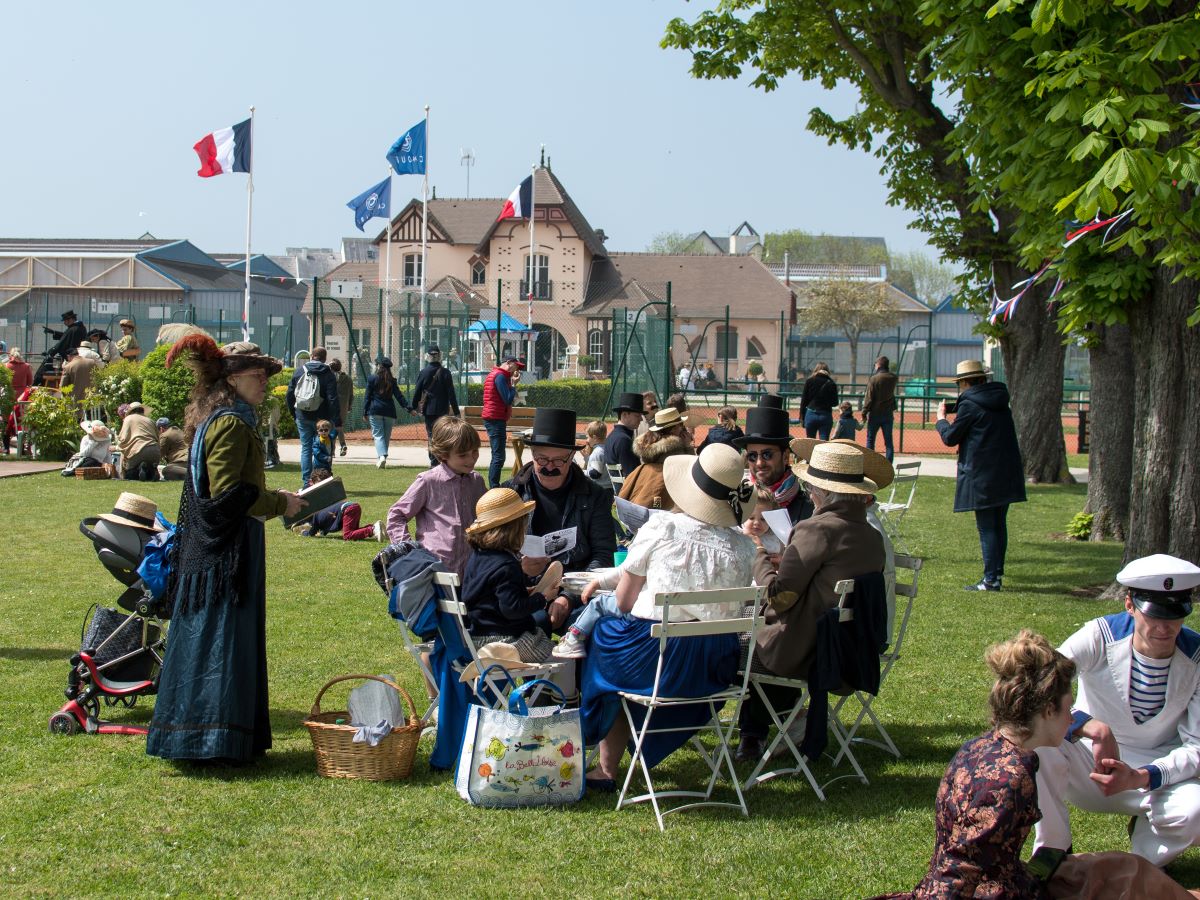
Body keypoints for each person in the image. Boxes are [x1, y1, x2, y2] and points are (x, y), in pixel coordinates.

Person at [875, 630, 1200, 900]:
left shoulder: (978, 747)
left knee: (1120, 869)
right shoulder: (1010, 779)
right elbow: (975, 880)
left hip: (998, 883)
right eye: (1068, 709)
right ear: (1047, 710)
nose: (1073, 720)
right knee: (1126, 877)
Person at [147, 335, 304, 764]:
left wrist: (271, 496)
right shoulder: (231, 423)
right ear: (233, 380)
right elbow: (228, 495)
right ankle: (211, 741)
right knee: (221, 639)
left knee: (222, 637)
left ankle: (216, 738)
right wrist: (281, 503)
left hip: (222, 545)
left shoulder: (225, 419)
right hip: (226, 550)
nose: (265, 384)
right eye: (258, 376)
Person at [578, 443, 757, 787]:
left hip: (661, 661)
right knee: (621, 646)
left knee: (604, 635)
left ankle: (605, 764)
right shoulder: (743, 546)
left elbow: (626, 601)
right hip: (716, 666)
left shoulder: (664, 529)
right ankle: (625, 754)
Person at [1033, 554, 1200, 867]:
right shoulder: (1100, 635)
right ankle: (1052, 853)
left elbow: (1197, 746)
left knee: (1196, 811)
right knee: (1039, 745)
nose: (1165, 627)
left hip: (1157, 772)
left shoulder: (1197, 656)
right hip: (1088, 762)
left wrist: (1143, 776)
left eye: (1175, 616)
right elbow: (1040, 686)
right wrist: (1088, 726)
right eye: (1154, 615)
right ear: (1129, 605)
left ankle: (1143, 862)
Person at [737, 441, 885, 761]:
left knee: (728, 644)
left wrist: (757, 551)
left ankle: (760, 729)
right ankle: (778, 724)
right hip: (849, 648)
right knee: (754, 637)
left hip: (807, 650)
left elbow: (779, 598)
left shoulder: (816, 529)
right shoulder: (871, 536)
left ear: (819, 491)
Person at [505, 407, 617, 634]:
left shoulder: (594, 495)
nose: (549, 467)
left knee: (598, 629)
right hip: (522, 592)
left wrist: (569, 596)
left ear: (572, 457)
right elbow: (490, 557)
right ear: (532, 454)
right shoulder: (510, 493)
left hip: (577, 590)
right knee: (523, 627)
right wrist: (519, 568)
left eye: (558, 461)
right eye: (542, 459)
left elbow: (603, 556)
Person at [936, 359, 1025, 592]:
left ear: (965, 382)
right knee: (998, 524)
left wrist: (941, 420)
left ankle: (990, 579)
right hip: (1004, 471)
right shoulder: (999, 399)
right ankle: (995, 573)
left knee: (987, 527)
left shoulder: (970, 405)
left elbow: (950, 437)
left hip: (981, 474)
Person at [461, 488, 561, 663]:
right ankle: (551, 691)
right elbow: (512, 609)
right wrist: (542, 598)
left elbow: (491, 595)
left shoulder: (477, 557)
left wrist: (523, 591)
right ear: (515, 528)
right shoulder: (507, 565)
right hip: (507, 641)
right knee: (565, 658)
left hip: (477, 637)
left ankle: (538, 690)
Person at [386, 416, 486, 579]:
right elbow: (397, 515)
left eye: (474, 451)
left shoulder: (477, 482)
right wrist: (409, 551)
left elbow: (488, 518)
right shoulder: (428, 481)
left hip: (471, 570)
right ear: (444, 454)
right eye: (463, 455)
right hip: (435, 571)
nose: (471, 458)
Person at [734, 404, 813, 525]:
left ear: (786, 457)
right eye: (752, 456)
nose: (759, 463)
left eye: (767, 455)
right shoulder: (736, 500)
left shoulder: (808, 511)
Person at [619, 407, 694, 511]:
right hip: (667, 496)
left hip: (647, 489)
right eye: (680, 425)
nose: (682, 428)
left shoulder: (650, 443)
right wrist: (688, 446)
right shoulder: (675, 448)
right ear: (674, 428)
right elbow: (689, 468)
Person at [286, 346, 340, 489]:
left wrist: (294, 412)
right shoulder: (328, 374)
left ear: (312, 356)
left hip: (302, 415)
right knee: (325, 448)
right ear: (324, 358)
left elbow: (290, 394)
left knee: (306, 448)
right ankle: (322, 478)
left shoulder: (299, 371)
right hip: (322, 418)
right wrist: (336, 419)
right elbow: (333, 399)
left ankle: (306, 482)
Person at [293, 469, 381, 541]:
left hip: (347, 509)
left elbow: (313, 531)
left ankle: (372, 530)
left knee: (348, 535)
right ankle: (375, 527)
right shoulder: (319, 502)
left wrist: (304, 533)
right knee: (354, 532)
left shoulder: (316, 512)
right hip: (353, 506)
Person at [410, 344, 460, 467]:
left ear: (427, 356)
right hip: (443, 409)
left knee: (432, 436)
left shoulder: (424, 372)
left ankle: (433, 461)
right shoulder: (445, 372)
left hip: (429, 410)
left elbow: (417, 392)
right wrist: (456, 411)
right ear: (439, 356)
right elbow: (451, 394)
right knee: (442, 435)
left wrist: (413, 407)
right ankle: (442, 460)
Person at [481, 355, 524, 487]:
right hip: (495, 419)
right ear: (508, 363)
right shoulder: (500, 376)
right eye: (515, 365)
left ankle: (494, 485)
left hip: (494, 417)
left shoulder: (496, 374)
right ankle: (494, 487)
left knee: (497, 455)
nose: (516, 369)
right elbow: (507, 399)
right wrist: (514, 385)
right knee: (499, 456)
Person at [362, 356, 410, 469]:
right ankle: (382, 458)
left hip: (375, 410)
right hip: (389, 411)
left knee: (378, 436)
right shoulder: (392, 380)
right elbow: (399, 396)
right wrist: (408, 408)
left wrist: (365, 411)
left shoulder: (372, 378)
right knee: (386, 437)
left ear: (379, 366)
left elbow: (367, 397)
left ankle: (382, 457)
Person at [35, 309, 87, 384]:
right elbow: (66, 336)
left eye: (65, 321)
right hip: (77, 354)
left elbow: (62, 342)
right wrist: (54, 332)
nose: (64, 323)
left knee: (46, 366)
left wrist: (50, 352)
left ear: (71, 320)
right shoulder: (80, 328)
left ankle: (38, 382)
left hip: (70, 356)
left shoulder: (73, 329)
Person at [862, 355, 898, 462]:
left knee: (870, 440)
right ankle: (889, 465)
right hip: (888, 413)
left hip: (875, 413)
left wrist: (864, 412)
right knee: (888, 442)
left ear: (878, 365)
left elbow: (869, 397)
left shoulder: (874, 379)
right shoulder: (893, 378)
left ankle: (869, 463)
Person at [603, 392, 644, 477]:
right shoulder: (623, 440)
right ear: (624, 415)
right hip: (627, 489)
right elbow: (633, 475)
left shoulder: (611, 437)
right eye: (637, 415)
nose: (641, 419)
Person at [116, 401, 160, 481]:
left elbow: (123, 438)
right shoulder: (150, 420)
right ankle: (152, 470)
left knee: (130, 475)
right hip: (155, 450)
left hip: (139, 450)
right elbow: (158, 437)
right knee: (149, 472)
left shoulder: (128, 419)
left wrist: (118, 447)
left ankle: (140, 469)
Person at [799, 361, 838, 440]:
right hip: (825, 415)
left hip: (811, 414)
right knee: (823, 444)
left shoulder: (809, 381)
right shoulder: (831, 383)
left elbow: (804, 401)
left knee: (810, 442)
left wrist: (802, 417)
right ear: (827, 371)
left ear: (816, 370)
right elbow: (835, 403)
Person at [329, 358, 352, 458]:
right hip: (343, 406)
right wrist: (349, 406)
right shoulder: (347, 378)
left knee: (332, 427)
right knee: (339, 426)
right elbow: (351, 394)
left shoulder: (329, 377)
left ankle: (332, 450)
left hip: (331, 405)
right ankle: (342, 445)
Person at [157, 417, 189, 481]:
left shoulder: (165, 435)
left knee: (166, 470)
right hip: (189, 459)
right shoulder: (179, 431)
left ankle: (190, 474)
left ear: (161, 429)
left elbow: (159, 454)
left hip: (182, 461)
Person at [583, 420, 609, 488]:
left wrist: (582, 472)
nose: (587, 440)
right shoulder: (606, 449)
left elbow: (595, 474)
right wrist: (587, 458)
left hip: (600, 489)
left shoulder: (597, 452)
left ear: (594, 438)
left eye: (587, 437)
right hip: (608, 488)